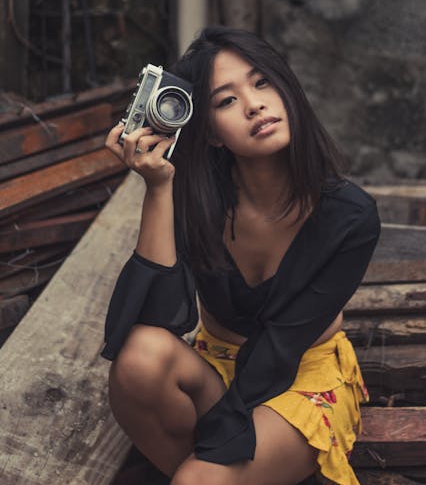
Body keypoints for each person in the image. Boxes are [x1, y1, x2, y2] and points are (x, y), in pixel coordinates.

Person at [102, 26, 380, 485]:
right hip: (218, 367)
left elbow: (279, 350)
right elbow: (153, 323)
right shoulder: (200, 199)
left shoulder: (350, 217)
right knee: (138, 358)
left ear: (287, 89)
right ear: (209, 133)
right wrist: (158, 188)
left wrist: (202, 456)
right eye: (226, 101)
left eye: (262, 82)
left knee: (196, 479)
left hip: (298, 379)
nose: (254, 104)